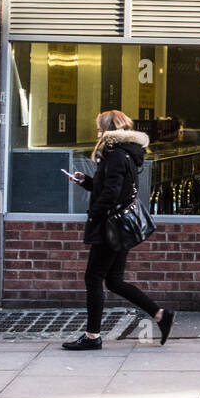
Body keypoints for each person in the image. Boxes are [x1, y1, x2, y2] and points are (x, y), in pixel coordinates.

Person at [63, 110, 174, 350]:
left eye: (99, 127)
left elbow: (112, 193)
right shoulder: (127, 153)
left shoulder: (114, 155)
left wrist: (95, 215)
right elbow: (114, 187)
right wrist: (87, 182)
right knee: (113, 281)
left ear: (108, 129)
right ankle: (160, 315)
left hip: (109, 227)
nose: (97, 132)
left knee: (93, 277)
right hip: (120, 225)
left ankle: (92, 336)